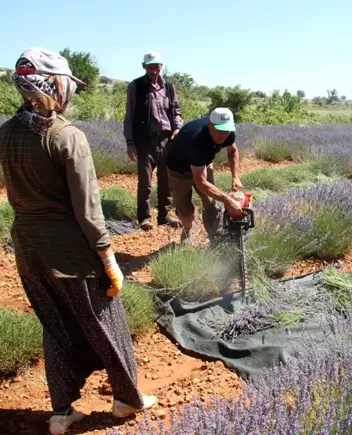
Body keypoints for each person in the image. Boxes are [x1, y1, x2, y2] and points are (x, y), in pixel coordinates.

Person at [0, 47, 157, 435]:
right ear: (54, 84)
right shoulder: (67, 136)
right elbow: (89, 211)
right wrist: (108, 257)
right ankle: (127, 399)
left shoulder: (5, 133)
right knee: (107, 321)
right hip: (71, 253)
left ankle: (61, 413)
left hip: (27, 249)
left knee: (54, 325)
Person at [164, 107, 244, 245]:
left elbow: (233, 151)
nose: (223, 135)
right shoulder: (196, 140)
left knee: (211, 204)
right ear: (209, 125)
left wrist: (235, 177)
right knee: (185, 213)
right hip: (179, 169)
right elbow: (200, 182)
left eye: (226, 130)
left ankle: (217, 240)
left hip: (202, 163)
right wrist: (227, 200)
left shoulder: (228, 133)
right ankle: (187, 228)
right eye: (219, 130)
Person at [123, 51, 183, 231]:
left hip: (166, 140)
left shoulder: (169, 87)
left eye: (156, 67)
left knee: (166, 180)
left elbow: (176, 111)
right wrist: (130, 143)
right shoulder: (135, 86)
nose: (153, 71)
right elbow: (130, 116)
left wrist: (178, 128)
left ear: (161, 66)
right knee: (145, 182)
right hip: (145, 141)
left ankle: (164, 216)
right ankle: (145, 217)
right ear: (144, 67)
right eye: (150, 67)